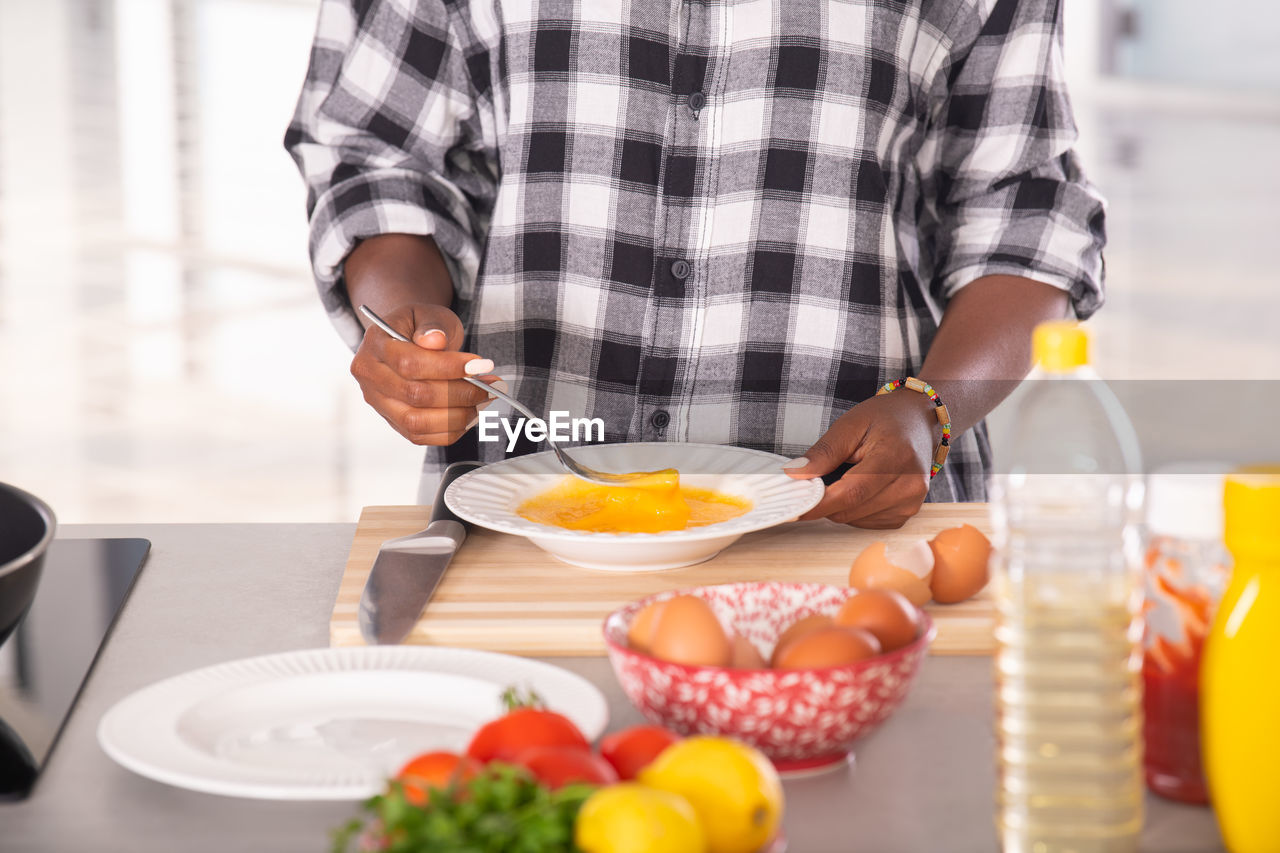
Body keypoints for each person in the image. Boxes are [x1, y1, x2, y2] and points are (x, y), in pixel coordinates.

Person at [286, 0, 1104, 528]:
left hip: (846, 528)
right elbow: (376, 154)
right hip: (522, 516)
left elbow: (1025, 210)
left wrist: (930, 409)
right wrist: (403, 326)